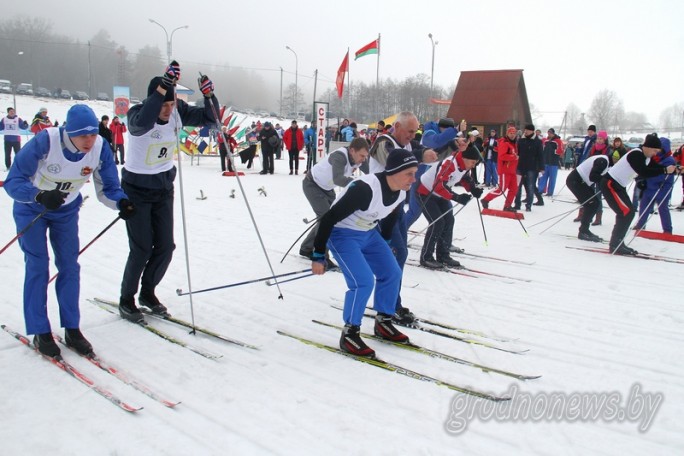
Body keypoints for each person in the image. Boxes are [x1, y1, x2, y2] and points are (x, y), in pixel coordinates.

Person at [4, 104, 135, 358]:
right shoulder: (46, 141)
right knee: (38, 265)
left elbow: (109, 186)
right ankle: (40, 330)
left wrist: (122, 202)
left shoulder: (99, 146)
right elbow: (13, 181)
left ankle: (72, 328)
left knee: (69, 266)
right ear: (69, 133)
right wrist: (38, 195)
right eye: (82, 135)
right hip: (32, 208)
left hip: (65, 211)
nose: (89, 140)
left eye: (93, 134)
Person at [119, 61, 219, 323]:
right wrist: (163, 89)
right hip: (137, 189)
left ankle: (147, 292)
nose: (167, 110)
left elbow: (211, 119)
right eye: (163, 104)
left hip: (163, 188)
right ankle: (126, 299)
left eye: (171, 105)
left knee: (165, 246)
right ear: (154, 98)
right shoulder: (138, 114)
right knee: (141, 249)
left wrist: (209, 96)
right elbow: (143, 124)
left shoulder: (177, 110)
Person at [311, 149, 419, 358]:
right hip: (342, 235)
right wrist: (318, 255)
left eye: (415, 173)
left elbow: (388, 218)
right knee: (363, 282)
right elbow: (328, 218)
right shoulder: (365, 188)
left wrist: (386, 243)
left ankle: (383, 322)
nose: (414, 179)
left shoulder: (401, 191)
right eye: (409, 173)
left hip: (368, 233)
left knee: (392, 272)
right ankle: (350, 332)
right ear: (394, 171)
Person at [366, 111, 435, 326]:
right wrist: (421, 156)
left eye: (416, 132)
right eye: (409, 131)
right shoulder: (382, 142)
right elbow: (395, 164)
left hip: (396, 209)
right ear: (396, 126)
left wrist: (450, 147)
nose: (413, 136)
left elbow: (424, 152)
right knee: (395, 256)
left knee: (398, 256)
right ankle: (389, 306)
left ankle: (392, 303)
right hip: (380, 210)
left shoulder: (406, 145)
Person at [600, 133, 678, 255]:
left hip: (619, 185)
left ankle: (618, 243)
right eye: (655, 150)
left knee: (628, 212)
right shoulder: (636, 154)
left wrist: (675, 169)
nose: (656, 153)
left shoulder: (646, 157)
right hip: (610, 183)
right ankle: (616, 244)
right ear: (647, 147)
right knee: (626, 212)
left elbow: (656, 167)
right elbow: (643, 171)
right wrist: (664, 170)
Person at [300, 137, 370, 263]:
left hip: (327, 188)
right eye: (362, 156)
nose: (363, 159)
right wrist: (359, 183)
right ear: (352, 150)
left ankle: (307, 248)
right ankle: (321, 256)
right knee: (327, 221)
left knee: (326, 218)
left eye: (365, 156)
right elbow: (338, 179)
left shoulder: (359, 158)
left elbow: (371, 172)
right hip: (312, 185)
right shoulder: (340, 156)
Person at [416, 137, 482, 268]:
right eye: (473, 162)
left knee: (449, 220)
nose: (473, 166)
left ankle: (443, 255)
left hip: (440, 194)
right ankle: (426, 257)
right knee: (437, 223)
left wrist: (473, 189)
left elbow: (464, 177)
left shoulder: (463, 165)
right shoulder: (449, 163)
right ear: (465, 158)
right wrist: (456, 197)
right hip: (425, 192)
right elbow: (438, 185)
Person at [566, 153, 611, 242]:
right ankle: (583, 231)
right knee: (592, 204)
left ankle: (584, 230)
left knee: (594, 203)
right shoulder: (603, 161)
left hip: (581, 181)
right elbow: (593, 176)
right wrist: (605, 181)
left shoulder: (605, 160)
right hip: (576, 180)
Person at [635, 137, 676, 233]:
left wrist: (647, 175)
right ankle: (640, 225)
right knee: (644, 206)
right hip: (649, 187)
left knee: (663, 209)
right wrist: (642, 177)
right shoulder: (652, 157)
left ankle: (667, 229)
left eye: (660, 149)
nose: (658, 151)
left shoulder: (669, 160)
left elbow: (663, 175)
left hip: (662, 188)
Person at [481, 126, 519, 211]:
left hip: (512, 170)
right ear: (507, 133)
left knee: (514, 189)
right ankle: (486, 199)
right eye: (510, 133)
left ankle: (507, 206)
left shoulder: (514, 143)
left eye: (514, 133)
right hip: (505, 170)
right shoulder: (505, 142)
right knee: (501, 189)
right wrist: (514, 157)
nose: (512, 135)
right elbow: (502, 156)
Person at [514, 124, 544, 211]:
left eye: (527, 130)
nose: (525, 131)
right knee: (517, 186)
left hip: (532, 167)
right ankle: (517, 204)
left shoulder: (537, 141)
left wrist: (541, 167)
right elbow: (517, 152)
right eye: (525, 130)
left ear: (532, 131)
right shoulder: (521, 140)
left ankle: (528, 205)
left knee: (530, 186)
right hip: (520, 166)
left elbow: (540, 155)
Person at [537, 128, 564, 197]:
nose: (549, 134)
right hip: (545, 162)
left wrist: (553, 151)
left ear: (553, 133)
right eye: (548, 133)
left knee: (552, 178)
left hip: (553, 163)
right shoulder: (545, 141)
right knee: (543, 177)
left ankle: (550, 192)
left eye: (551, 133)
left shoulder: (558, 141)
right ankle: (540, 190)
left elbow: (560, 151)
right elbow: (542, 149)